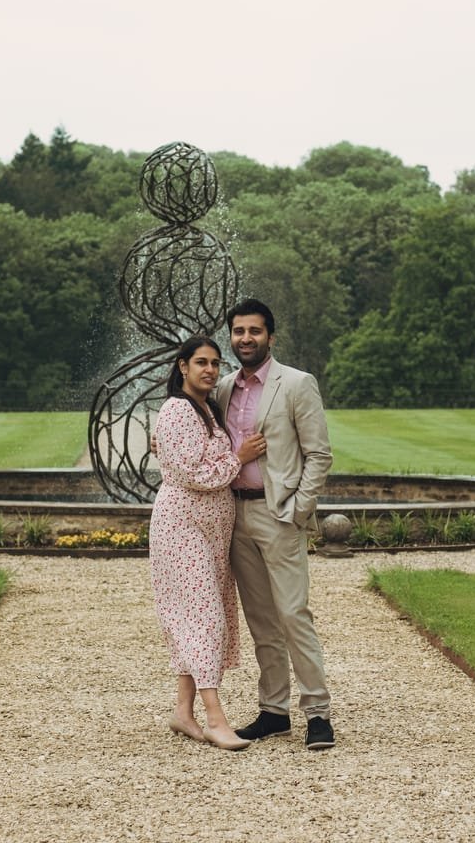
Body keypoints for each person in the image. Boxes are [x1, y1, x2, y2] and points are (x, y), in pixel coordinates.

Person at [215, 298, 335, 750]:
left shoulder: (297, 384)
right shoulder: (224, 387)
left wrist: (298, 510)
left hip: (278, 513)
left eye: (254, 331)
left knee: (293, 614)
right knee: (261, 620)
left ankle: (318, 712)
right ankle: (274, 711)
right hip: (236, 514)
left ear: (271, 336)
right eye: (239, 331)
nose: (246, 339)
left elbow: (319, 454)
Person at [150, 334, 266, 751]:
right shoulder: (177, 410)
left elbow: (201, 462)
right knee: (206, 618)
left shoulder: (207, 410)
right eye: (201, 362)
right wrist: (240, 458)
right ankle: (216, 718)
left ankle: (183, 713)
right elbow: (196, 475)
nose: (210, 370)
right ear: (182, 366)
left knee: (197, 617)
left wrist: (228, 459)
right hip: (183, 527)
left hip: (212, 531)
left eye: (215, 363)